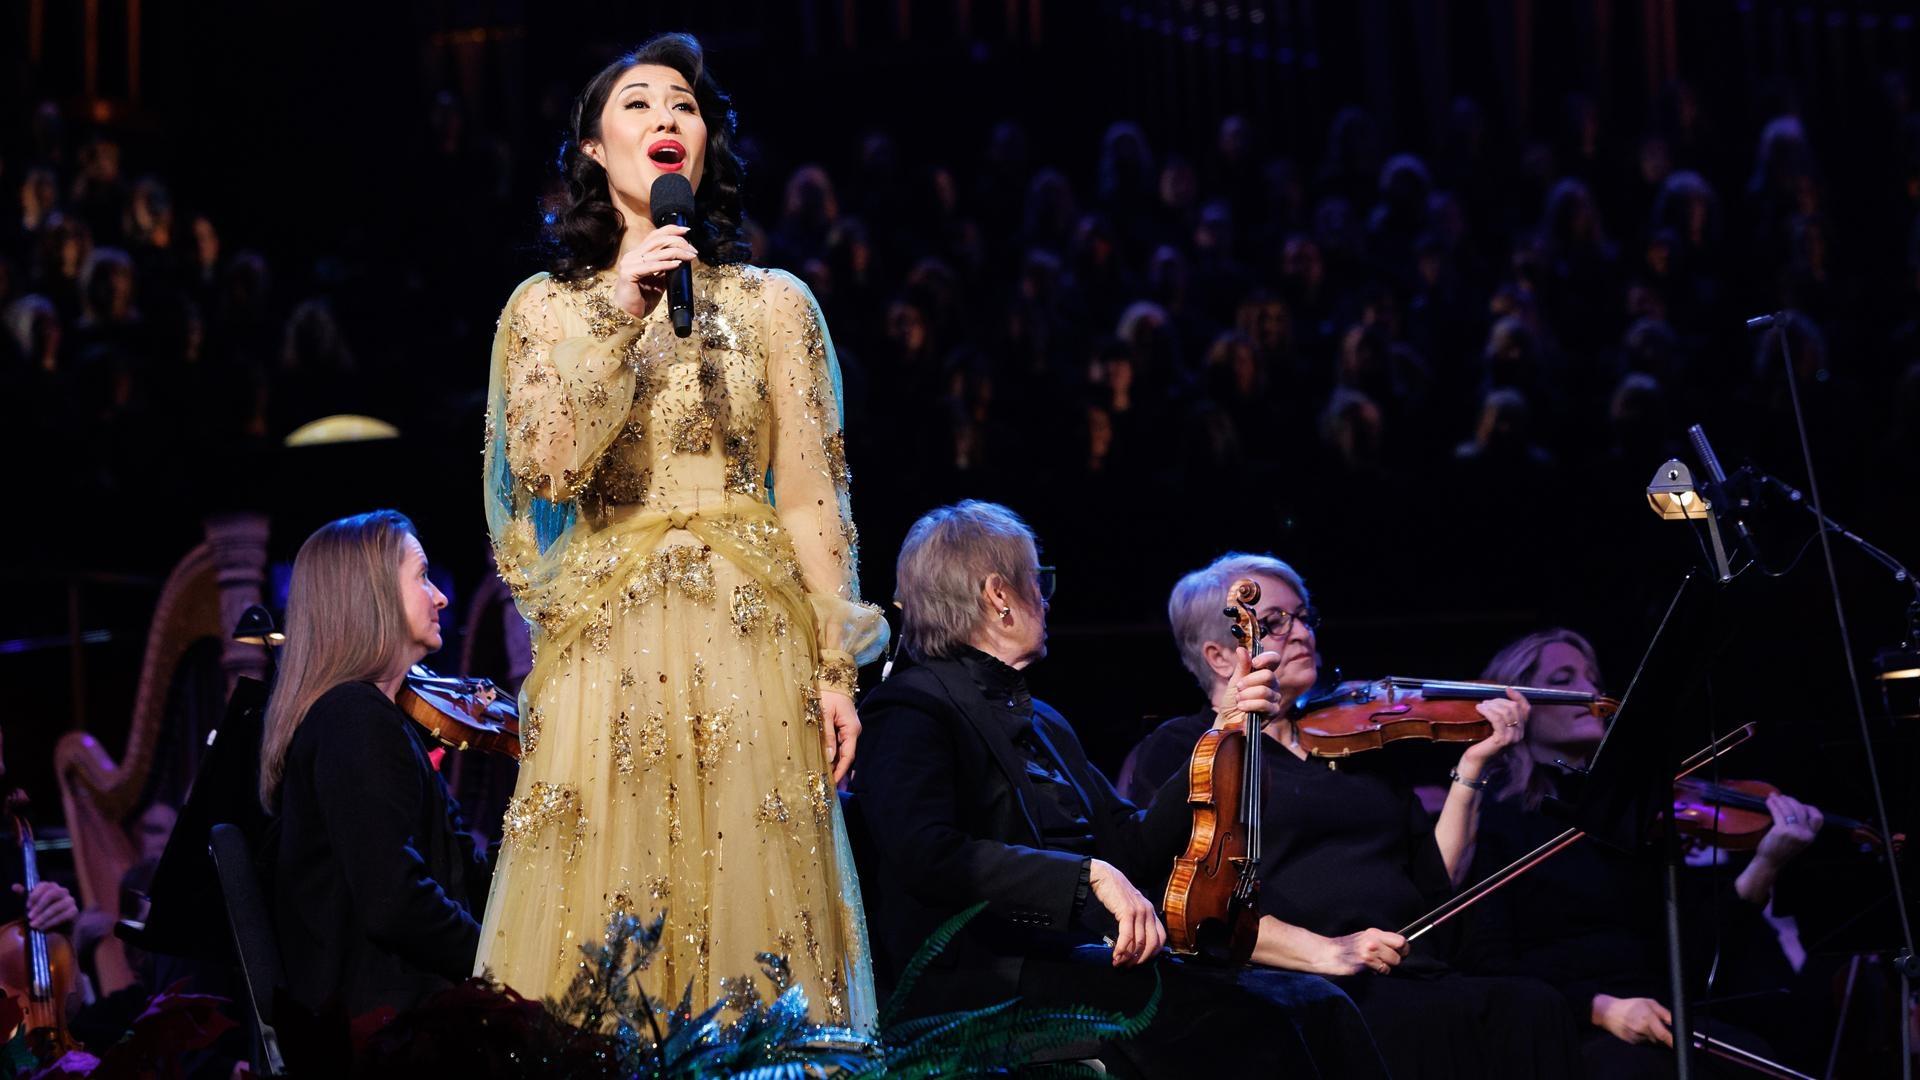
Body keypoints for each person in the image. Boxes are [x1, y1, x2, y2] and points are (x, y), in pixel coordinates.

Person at [474, 33, 887, 1027]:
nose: (667, 118)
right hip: (606, 649)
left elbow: (810, 495)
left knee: (756, 914)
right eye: (638, 104)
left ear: (705, 149)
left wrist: (836, 667)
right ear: (591, 153)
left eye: (686, 107)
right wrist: (622, 304)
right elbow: (545, 466)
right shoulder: (544, 310)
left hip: (752, 642)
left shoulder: (777, 305)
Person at [855, 502, 1389, 1078]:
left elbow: (1130, 845)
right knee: (1248, 1025)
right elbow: (927, 853)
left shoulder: (1045, 721)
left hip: (1079, 957)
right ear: (999, 596)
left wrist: (1223, 730)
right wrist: (1085, 876)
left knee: (1317, 1004)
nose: (1047, 596)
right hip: (987, 975)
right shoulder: (910, 708)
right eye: (1040, 581)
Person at [1127, 552, 1582, 1079]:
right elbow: (1188, 898)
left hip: (1404, 968)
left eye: (1304, 617)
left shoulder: (1352, 744)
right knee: (1405, 1026)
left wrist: (1474, 768)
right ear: (1220, 655)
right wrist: (1330, 950)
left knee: (1533, 1008)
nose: (1302, 634)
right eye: (1275, 622)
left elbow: (1437, 882)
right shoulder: (1191, 748)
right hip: (1301, 979)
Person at [1463, 629, 1821, 1078]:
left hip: (1660, 1015)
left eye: (1593, 679)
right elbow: (1485, 966)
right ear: (1519, 705)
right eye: (1563, 678)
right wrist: (1598, 1008)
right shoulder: (1495, 818)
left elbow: (1693, 957)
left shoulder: (1632, 816)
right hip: (1565, 1027)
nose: (1590, 691)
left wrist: (1765, 865)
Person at [258, 509, 486, 1015]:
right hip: (388, 1033)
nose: (441, 596)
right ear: (373, 595)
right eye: (422, 576)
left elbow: (462, 874)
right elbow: (394, 904)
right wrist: (499, 967)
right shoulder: (351, 718)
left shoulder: (383, 719)